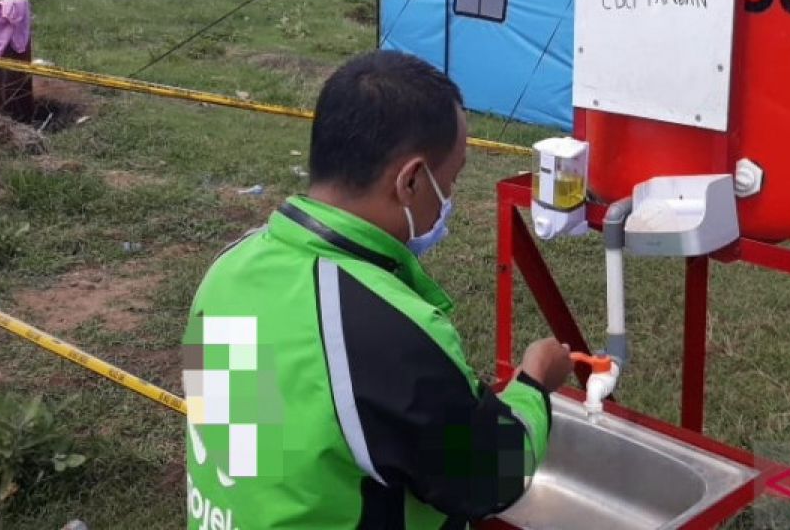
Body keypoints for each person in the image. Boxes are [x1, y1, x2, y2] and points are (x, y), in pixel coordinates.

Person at [182, 51, 570, 529]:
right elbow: (489, 479)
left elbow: (249, 453)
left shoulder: (227, 269)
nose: (449, 200)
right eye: (452, 179)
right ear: (410, 181)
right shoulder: (385, 329)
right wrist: (533, 384)